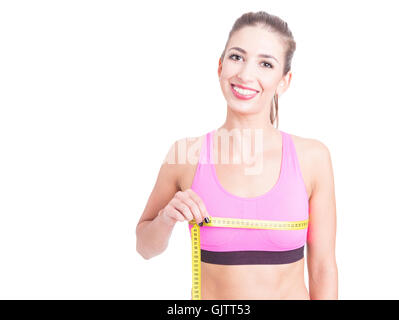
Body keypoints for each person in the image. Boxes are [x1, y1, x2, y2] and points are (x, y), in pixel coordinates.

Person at [136, 11, 338, 300]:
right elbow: (144, 247)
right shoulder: (185, 156)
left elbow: (322, 269)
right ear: (219, 66)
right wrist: (167, 218)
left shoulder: (312, 158)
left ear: (284, 81)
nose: (245, 74)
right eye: (236, 57)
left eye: (266, 63)